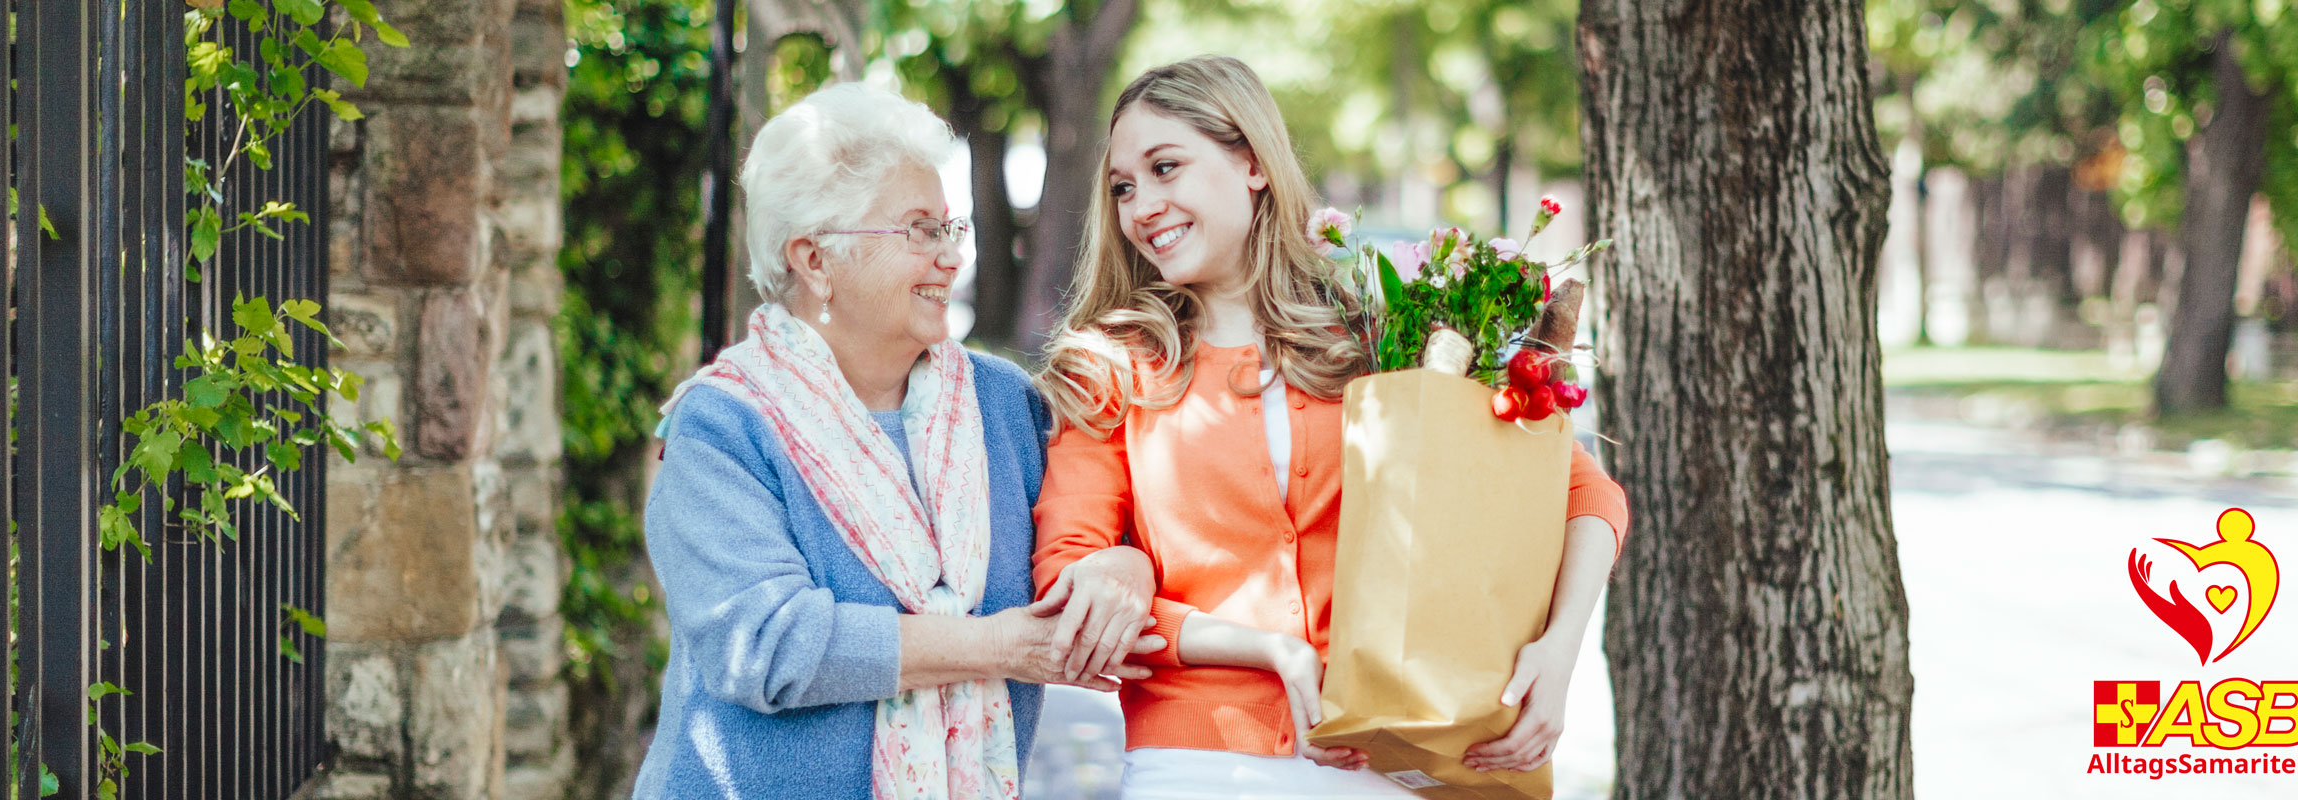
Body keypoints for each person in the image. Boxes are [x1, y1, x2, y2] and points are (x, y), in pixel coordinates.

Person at [1030, 55, 1629, 799]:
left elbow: (1582, 491)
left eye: (1166, 168)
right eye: (1123, 187)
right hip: (1197, 764)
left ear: (1252, 163)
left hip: (1389, 760)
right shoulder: (1111, 366)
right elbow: (1068, 581)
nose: (1141, 205)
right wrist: (1268, 650)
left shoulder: (1383, 340)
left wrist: (1558, 650)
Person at [632, 83, 1158, 800]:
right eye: (919, 231)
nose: (951, 259)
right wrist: (999, 646)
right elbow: (765, 644)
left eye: (951, 230)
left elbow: (1089, 536)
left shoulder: (1003, 406)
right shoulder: (722, 426)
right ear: (815, 260)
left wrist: (1123, 565)